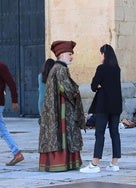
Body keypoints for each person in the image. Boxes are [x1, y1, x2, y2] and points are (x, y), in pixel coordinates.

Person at [39, 40, 85, 172]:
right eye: (69, 54)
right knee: (65, 134)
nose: (71, 57)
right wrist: (76, 92)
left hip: (57, 110)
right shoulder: (61, 69)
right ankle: (63, 162)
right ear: (62, 54)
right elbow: (67, 89)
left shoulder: (54, 69)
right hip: (62, 111)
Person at [80, 44, 122, 173]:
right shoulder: (117, 69)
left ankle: (95, 163)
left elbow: (93, 86)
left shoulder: (101, 68)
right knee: (115, 133)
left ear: (104, 54)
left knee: (100, 134)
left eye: (100, 54)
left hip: (103, 105)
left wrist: (99, 85)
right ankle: (114, 163)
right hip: (116, 105)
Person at [0, 61, 24, 166]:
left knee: (2, 129)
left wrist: (14, 100)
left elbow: (11, 83)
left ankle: (17, 153)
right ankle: (17, 152)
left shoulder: (1, 66)